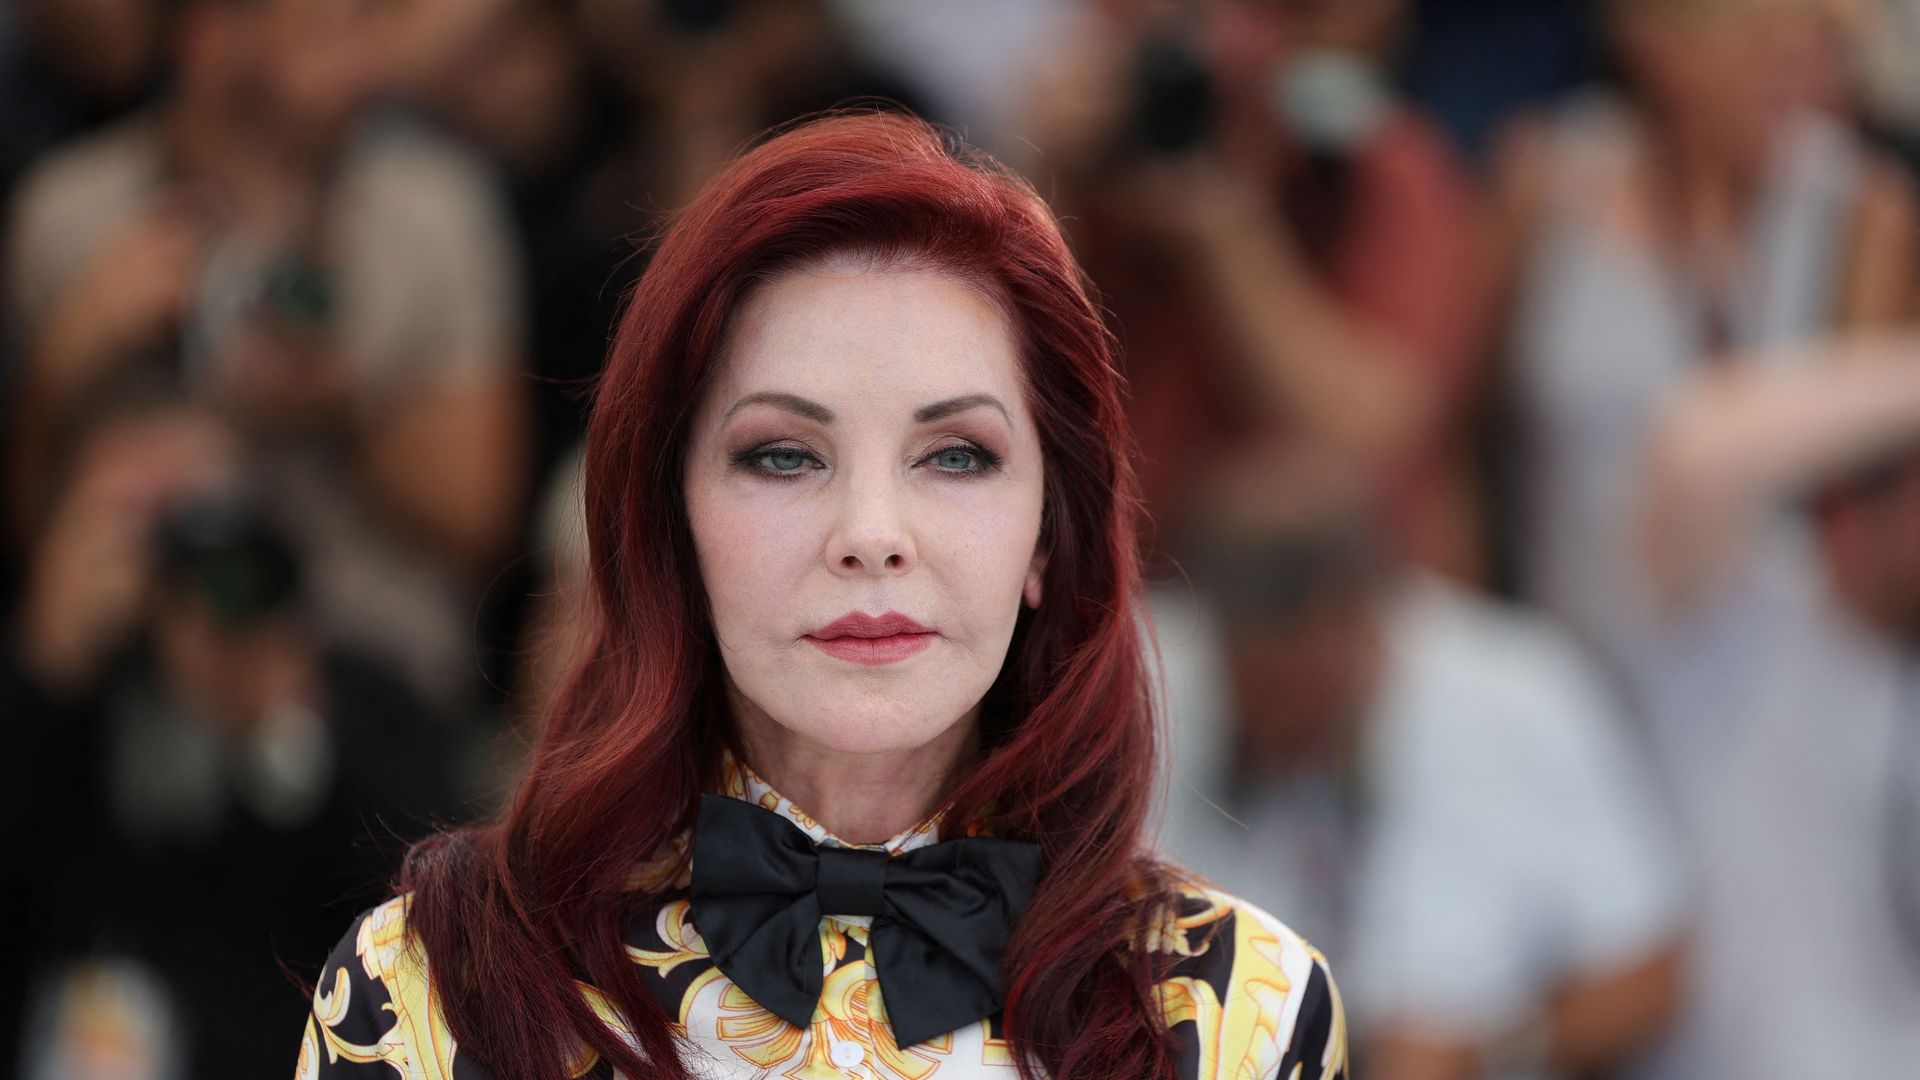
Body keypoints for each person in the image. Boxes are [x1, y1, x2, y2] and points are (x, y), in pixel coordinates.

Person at [290, 112, 1349, 1079]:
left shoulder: (1236, 1018)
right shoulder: (437, 987)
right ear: (670, 523)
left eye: (957, 457)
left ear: (1048, 534)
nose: (872, 537)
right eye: (786, 456)